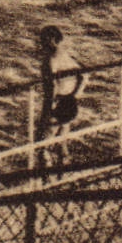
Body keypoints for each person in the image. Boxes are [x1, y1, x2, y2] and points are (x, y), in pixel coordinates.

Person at [37, 25, 86, 174]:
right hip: (69, 103)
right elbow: (83, 75)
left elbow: (51, 88)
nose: (40, 43)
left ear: (51, 39)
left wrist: (47, 111)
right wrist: (75, 95)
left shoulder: (50, 61)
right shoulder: (66, 55)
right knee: (61, 140)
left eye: (43, 39)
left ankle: (46, 180)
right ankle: (64, 173)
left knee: (41, 145)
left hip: (57, 104)